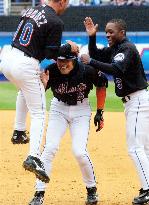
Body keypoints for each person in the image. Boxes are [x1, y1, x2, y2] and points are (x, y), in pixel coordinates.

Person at [0, 0, 79, 182]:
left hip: (7, 59)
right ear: (62, 1)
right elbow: (51, 53)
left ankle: (19, 131)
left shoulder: (31, 10)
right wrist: (69, 48)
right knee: (40, 113)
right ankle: (34, 157)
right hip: (26, 64)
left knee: (24, 90)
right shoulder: (56, 21)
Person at [81, 17, 149, 205]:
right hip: (136, 101)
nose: (108, 34)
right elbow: (98, 53)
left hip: (137, 101)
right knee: (144, 149)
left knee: (135, 148)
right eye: (106, 31)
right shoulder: (116, 49)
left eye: (111, 32)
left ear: (122, 33)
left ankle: (147, 189)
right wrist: (92, 37)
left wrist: (91, 61)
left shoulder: (126, 48)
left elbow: (116, 69)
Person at [28, 50, 108, 205]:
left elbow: (102, 84)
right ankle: (39, 192)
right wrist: (43, 85)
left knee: (79, 152)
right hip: (58, 109)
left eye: (66, 61)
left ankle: (91, 190)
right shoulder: (51, 70)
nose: (62, 64)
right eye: (60, 61)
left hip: (81, 110)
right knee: (49, 148)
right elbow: (38, 94)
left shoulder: (87, 69)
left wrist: (100, 111)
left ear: (74, 60)